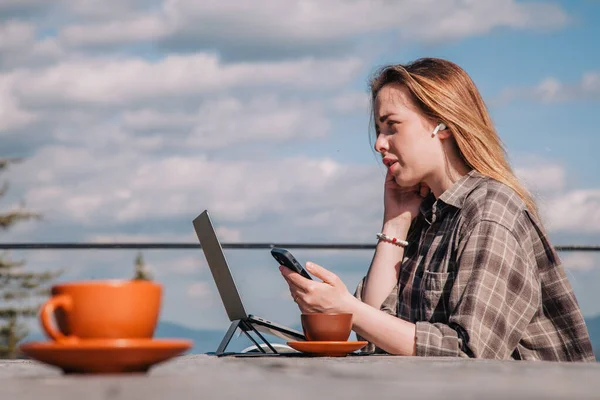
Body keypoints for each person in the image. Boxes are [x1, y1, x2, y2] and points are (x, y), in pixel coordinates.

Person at [279, 57, 595, 361]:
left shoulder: (490, 211)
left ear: (441, 125)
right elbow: (378, 335)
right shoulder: (429, 215)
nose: (379, 144)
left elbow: (470, 353)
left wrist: (346, 307)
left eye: (392, 126)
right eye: (379, 129)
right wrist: (395, 223)